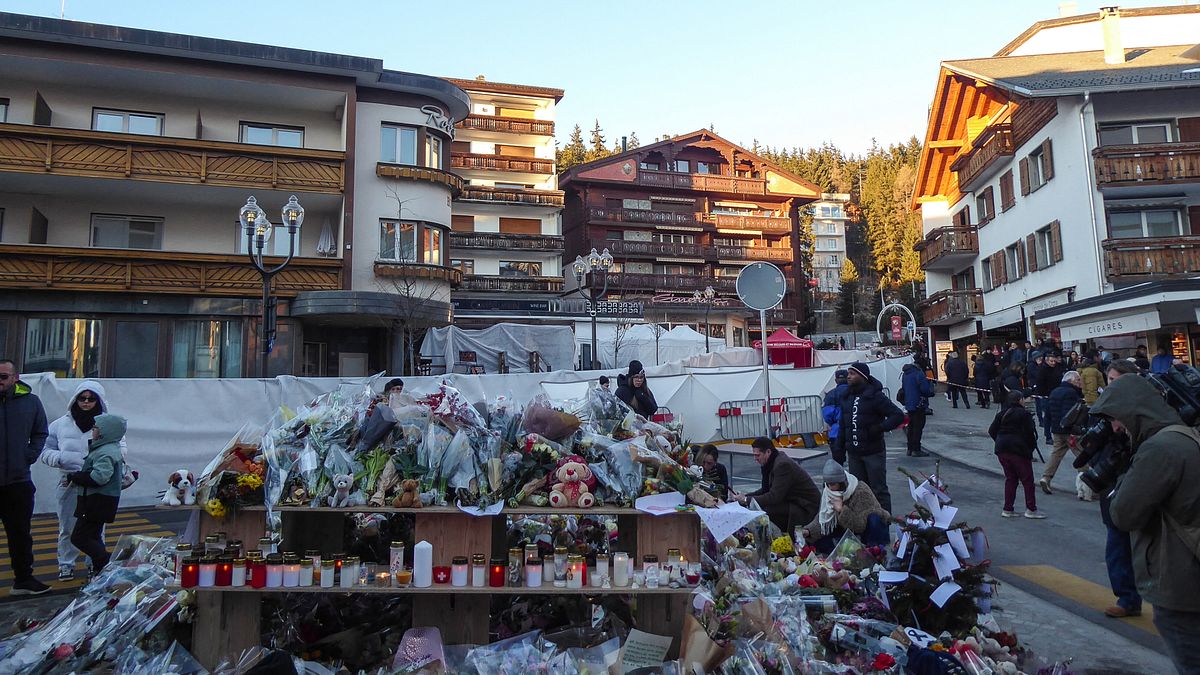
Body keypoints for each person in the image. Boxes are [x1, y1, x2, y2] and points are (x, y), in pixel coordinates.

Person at [1096, 376, 1200, 673]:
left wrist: (1124, 473)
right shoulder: (1184, 436)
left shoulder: (1159, 449)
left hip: (1180, 581)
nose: (1116, 427)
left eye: (1116, 418)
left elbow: (1124, 514)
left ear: (1134, 412)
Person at [40, 381, 127, 581]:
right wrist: (60, 458)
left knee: (95, 528)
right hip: (69, 480)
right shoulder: (60, 424)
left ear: (99, 400)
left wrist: (104, 460)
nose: (86, 402)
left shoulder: (108, 423)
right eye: (82, 398)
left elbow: (120, 447)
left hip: (97, 484)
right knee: (67, 526)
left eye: (91, 398)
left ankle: (94, 564)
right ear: (75, 399)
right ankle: (66, 564)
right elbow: (45, 448)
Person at [1094, 360, 1141, 619]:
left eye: (1116, 379)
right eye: (1110, 379)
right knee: (1117, 545)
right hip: (1112, 485)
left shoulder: (1143, 408)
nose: (1112, 384)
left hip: (1139, 483)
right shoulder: (1104, 409)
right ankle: (1127, 598)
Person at [0, 359, 51, 595]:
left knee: (20, 535)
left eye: (3, 377)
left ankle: (23, 580)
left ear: (15, 378)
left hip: (18, 482)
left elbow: (40, 432)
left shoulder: (30, 402)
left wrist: (28, 456)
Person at [831, 362, 904, 511]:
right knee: (858, 491)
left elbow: (897, 415)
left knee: (878, 490)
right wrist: (839, 449)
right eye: (848, 373)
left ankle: (884, 521)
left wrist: (879, 428)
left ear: (862, 376)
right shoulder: (847, 397)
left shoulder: (875, 396)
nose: (848, 376)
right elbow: (843, 425)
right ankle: (863, 521)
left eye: (852, 374)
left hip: (873, 452)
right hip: (854, 453)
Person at [66, 413, 126, 576]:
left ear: (106, 431)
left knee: (79, 537)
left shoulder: (105, 452)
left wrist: (75, 477)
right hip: (100, 500)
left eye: (96, 427)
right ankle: (101, 571)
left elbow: (99, 477)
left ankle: (106, 562)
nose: (92, 430)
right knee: (93, 536)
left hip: (96, 501)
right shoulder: (107, 448)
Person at [732, 437, 821, 534]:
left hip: (807, 507)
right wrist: (744, 496)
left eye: (757, 455)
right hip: (794, 501)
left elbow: (774, 497)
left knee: (764, 511)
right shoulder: (771, 462)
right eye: (754, 455)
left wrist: (746, 500)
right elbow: (765, 490)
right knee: (760, 507)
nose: (755, 459)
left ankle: (776, 538)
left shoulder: (782, 465)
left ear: (768, 452)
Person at [801, 459, 891, 553]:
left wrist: (841, 510)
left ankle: (874, 550)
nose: (830, 487)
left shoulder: (860, 490)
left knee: (874, 519)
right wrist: (809, 531)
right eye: (827, 484)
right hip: (846, 527)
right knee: (817, 539)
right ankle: (838, 552)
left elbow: (860, 525)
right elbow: (823, 518)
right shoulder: (828, 492)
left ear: (841, 482)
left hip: (868, 529)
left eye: (832, 484)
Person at [989, 390, 1045, 519]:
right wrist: (1029, 449)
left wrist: (1000, 440)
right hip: (1018, 450)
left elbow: (992, 430)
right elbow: (1030, 434)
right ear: (1020, 400)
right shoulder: (1024, 415)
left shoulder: (1002, 413)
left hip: (1002, 449)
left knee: (1011, 479)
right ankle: (1031, 509)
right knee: (1027, 480)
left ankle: (1008, 508)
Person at [1039, 371, 1083, 495]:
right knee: (1082, 455)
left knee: (1056, 454)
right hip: (1069, 431)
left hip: (1056, 429)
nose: (1080, 382)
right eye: (1078, 380)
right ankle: (1086, 484)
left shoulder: (1055, 391)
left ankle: (1046, 477)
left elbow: (1047, 413)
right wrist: (1074, 429)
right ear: (1071, 381)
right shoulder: (1071, 393)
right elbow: (1070, 414)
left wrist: (1047, 431)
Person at [900, 362, 933, 457]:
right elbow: (925, 389)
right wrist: (930, 391)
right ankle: (916, 449)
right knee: (918, 427)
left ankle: (910, 448)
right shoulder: (918, 374)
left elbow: (904, 388)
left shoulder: (905, 374)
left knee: (911, 426)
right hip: (918, 404)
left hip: (909, 404)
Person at [1035, 354, 1065, 444]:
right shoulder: (1042, 370)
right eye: (1051, 361)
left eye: (1054, 361)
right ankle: (1048, 436)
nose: (1053, 363)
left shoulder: (1057, 368)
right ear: (1047, 361)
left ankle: (1057, 435)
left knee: (1056, 416)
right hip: (1046, 396)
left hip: (1056, 395)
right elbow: (1040, 383)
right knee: (1048, 417)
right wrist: (1043, 394)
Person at [822, 370, 849, 447]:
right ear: (848, 378)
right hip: (856, 431)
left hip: (836, 431)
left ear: (836, 380)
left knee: (838, 453)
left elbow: (827, 414)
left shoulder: (831, 394)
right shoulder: (857, 391)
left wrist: (833, 424)